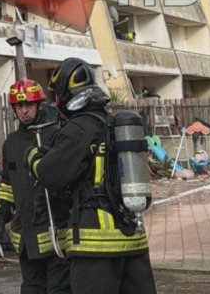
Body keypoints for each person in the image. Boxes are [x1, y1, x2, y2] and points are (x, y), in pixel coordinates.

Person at [25, 60, 156, 294]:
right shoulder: (110, 123)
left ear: (67, 93)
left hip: (95, 248)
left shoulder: (80, 128)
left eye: (57, 95)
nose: (55, 102)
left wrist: (34, 156)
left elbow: (51, 175)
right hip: (133, 240)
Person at [0, 78, 70, 294]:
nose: (24, 111)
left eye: (29, 105)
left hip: (55, 238)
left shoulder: (54, 135)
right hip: (26, 241)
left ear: (39, 105)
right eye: (19, 106)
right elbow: (8, 183)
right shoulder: (11, 143)